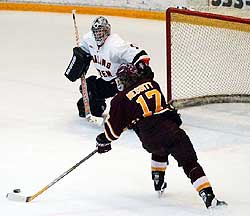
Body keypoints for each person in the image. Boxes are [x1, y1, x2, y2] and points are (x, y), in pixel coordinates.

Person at [95, 63, 227, 209]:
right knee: (189, 162)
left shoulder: (119, 99)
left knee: (158, 148)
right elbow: (159, 107)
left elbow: (112, 132)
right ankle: (208, 195)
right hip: (170, 131)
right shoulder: (152, 84)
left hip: (148, 138)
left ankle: (157, 179)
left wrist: (103, 140)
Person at [65, 16, 153, 118]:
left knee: (124, 116)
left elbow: (140, 55)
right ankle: (99, 107)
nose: (98, 35)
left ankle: (135, 112)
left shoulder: (115, 44)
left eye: (100, 32)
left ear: (107, 31)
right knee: (89, 91)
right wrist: (79, 61)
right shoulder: (89, 39)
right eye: (96, 32)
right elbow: (83, 51)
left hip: (122, 82)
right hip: (107, 81)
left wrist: (143, 68)